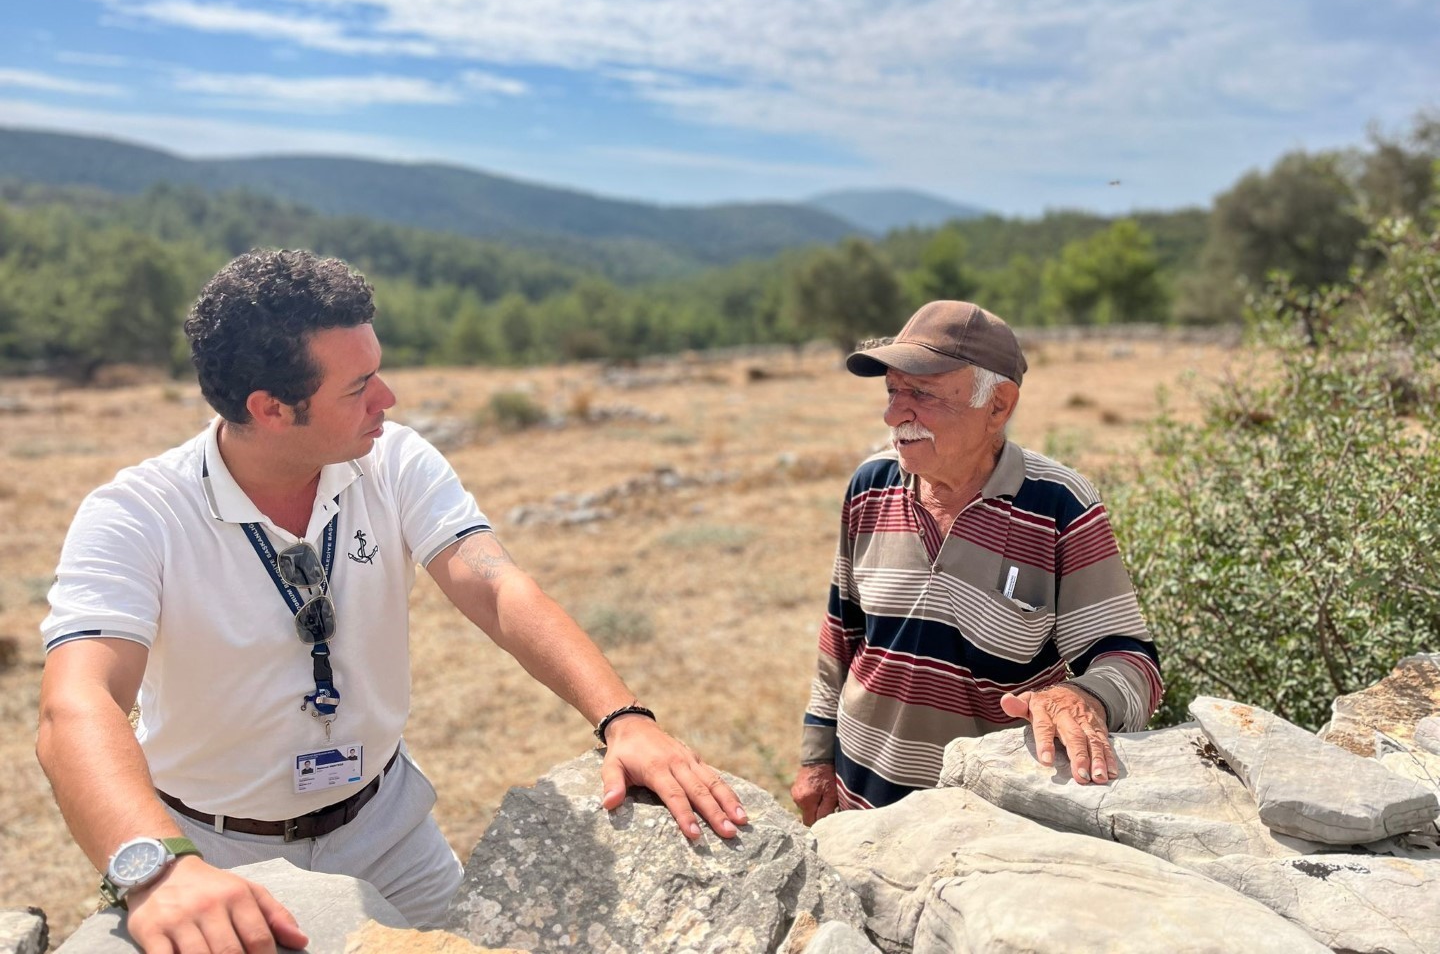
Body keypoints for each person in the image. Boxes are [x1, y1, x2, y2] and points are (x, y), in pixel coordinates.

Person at [37, 249, 747, 954]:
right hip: (211, 853)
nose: (389, 400)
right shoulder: (134, 515)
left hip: (392, 837)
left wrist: (624, 718)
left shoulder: (396, 460)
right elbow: (75, 705)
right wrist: (159, 869)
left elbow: (496, 585)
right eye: (359, 387)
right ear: (271, 409)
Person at [790, 300, 1162, 822]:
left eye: (921, 393)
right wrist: (816, 758)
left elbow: (1132, 662)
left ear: (999, 406)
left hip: (986, 823)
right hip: (861, 803)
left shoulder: (1059, 505)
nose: (894, 414)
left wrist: (1084, 697)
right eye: (893, 390)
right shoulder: (870, 485)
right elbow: (841, 637)